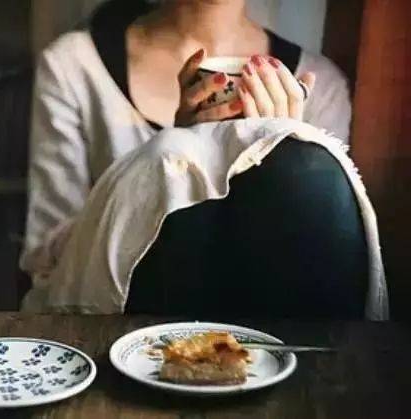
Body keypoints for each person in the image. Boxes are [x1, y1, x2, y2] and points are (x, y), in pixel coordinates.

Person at [20, 0, 374, 318]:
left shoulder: (318, 85)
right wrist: (175, 161)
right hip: (124, 317)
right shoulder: (75, 65)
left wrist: (278, 148)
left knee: (306, 169)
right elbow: (47, 256)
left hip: (270, 317)